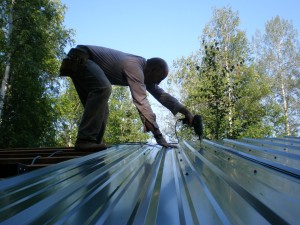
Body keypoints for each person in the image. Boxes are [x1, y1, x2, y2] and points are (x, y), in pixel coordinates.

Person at [60, 45, 194, 151]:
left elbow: (162, 95)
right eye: (159, 78)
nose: (157, 83)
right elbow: (141, 101)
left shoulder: (144, 72)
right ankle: (85, 141)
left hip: (78, 62)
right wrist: (159, 136)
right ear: (152, 70)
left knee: (103, 110)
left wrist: (187, 112)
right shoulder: (135, 68)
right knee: (103, 88)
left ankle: (91, 144)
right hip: (80, 58)